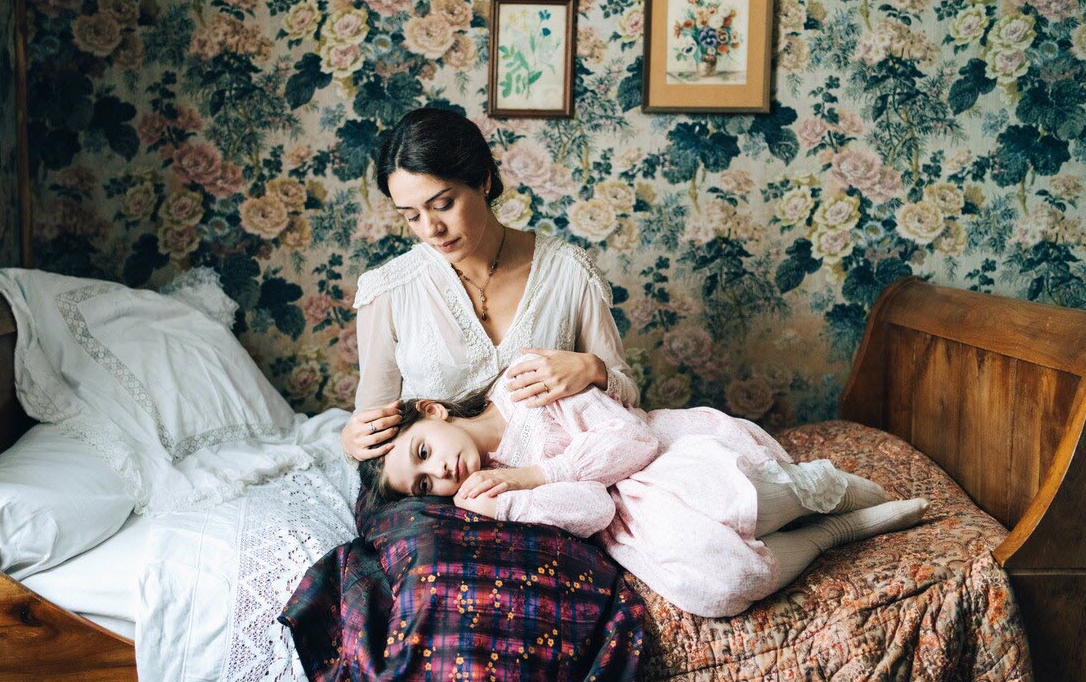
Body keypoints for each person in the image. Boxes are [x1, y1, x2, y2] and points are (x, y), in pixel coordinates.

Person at [356, 357, 929, 618]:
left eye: (423, 452)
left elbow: (631, 439)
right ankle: (836, 532)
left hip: (666, 456)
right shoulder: (491, 491)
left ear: (430, 410)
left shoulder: (524, 384)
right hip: (634, 514)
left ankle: (818, 487)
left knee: (738, 498)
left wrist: (536, 473)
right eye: (425, 485)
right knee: (718, 588)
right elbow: (594, 508)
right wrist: (509, 501)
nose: (441, 474)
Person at [340, 107, 639, 461]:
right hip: (438, 493)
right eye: (412, 216)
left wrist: (593, 369)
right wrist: (352, 440)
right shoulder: (389, 290)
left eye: (443, 204)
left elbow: (630, 400)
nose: (431, 229)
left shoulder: (569, 272)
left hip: (550, 481)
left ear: (482, 181)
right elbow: (372, 422)